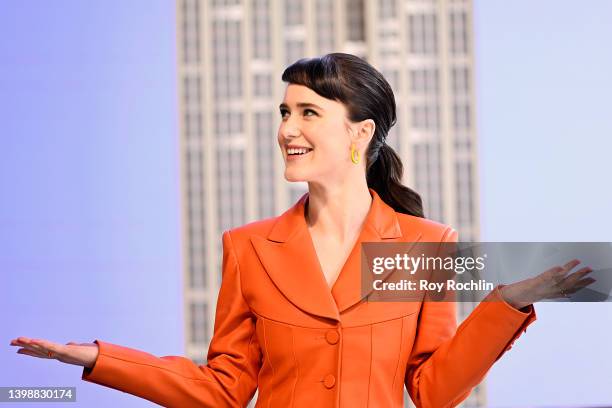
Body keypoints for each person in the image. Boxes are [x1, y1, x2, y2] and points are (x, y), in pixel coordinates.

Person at [10, 53, 594, 408]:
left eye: (308, 113)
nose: (288, 128)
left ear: (360, 134)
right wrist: (94, 358)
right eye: (284, 113)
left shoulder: (427, 244)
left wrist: (507, 304)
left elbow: (432, 390)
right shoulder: (247, 247)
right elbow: (224, 390)